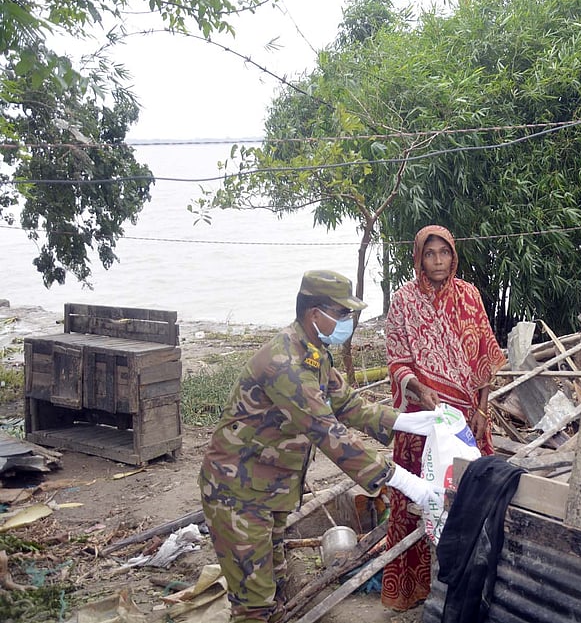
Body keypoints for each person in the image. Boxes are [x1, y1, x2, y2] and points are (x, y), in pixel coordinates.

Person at [198, 270, 441, 623]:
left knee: (277, 586)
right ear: (315, 314)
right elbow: (327, 431)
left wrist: (406, 422)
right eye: (342, 314)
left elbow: (347, 406)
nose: (348, 322)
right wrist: (403, 481)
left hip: (270, 491)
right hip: (238, 495)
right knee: (254, 606)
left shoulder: (315, 353)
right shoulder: (285, 363)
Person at [381, 225, 507, 611]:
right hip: (423, 423)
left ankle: (472, 580)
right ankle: (412, 590)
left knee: (473, 496)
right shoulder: (403, 301)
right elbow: (397, 360)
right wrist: (418, 389)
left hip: (467, 423)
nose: (438, 261)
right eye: (430, 254)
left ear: (454, 256)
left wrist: (483, 411)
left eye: (444, 253)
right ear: (418, 257)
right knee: (414, 502)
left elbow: (486, 358)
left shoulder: (468, 296)